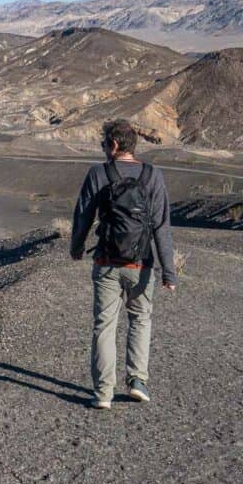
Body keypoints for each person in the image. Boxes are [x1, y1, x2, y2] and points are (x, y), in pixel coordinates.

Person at [70, 119, 177, 410]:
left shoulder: (98, 173)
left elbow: (83, 216)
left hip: (106, 263)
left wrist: (76, 248)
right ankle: (137, 381)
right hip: (140, 266)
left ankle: (103, 393)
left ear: (114, 145)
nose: (103, 148)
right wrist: (169, 271)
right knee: (140, 321)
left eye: (104, 143)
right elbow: (161, 227)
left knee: (104, 326)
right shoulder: (153, 175)